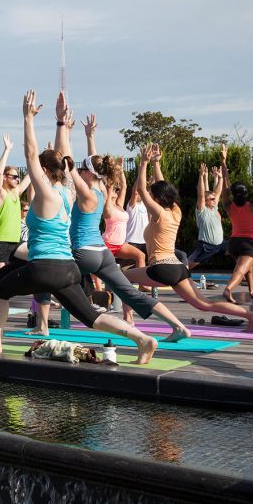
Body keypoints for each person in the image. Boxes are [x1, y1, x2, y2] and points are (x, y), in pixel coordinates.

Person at [0, 90, 159, 363]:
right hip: (68, 269)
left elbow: (31, 154)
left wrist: (27, 119)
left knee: (0, 290)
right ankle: (142, 339)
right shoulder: (67, 192)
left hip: (43, 267)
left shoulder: (46, 193)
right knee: (91, 316)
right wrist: (60, 124)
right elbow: (64, 157)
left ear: (44, 170)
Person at [64, 112, 190, 341]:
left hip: (84, 253)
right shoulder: (102, 189)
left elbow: (69, 163)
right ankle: (178, 326)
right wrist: (90, 136)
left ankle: (47, 323)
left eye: (82, 169)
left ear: (86, 173)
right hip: (103, 254)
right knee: (129, 292)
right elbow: (94, 165)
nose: (79, 171)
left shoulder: (87, 193)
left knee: (49, 275)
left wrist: (63, 127)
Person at [123, 144, 253, 331]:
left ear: (156, 199)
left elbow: (140, 189)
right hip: (178, 267)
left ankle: (129, 319)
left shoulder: (157, 213)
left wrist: (143, 163)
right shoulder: (175, 211)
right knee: (204, 304)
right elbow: (163, 187)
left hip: (162, 268)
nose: (149, 195)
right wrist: (157, 164)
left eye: (152, 195)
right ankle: (251, 316)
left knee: (121, 278)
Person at [220, 142, 253, 303]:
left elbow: (225, 184)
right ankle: (228, 289)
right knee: (241, 268)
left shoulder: (228, 206)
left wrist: (223, 162)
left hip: (234, 244)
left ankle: (252, 287)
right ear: (247, 194)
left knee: (246, 266)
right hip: (250, 243)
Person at [0, 134, 31, 272]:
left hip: (15, 241)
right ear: (5, 178)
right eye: (14, 177)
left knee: (35, 256)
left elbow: (31, 174)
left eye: (17, 177)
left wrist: (31, 155)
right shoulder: (0, 194)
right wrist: (7, 149)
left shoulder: (16, 192)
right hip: (0, 242)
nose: (17, 179)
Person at [187, 164, 227, 270]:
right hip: (206, 246)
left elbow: (217, 192)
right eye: (212, 199)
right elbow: (200, 194)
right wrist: (201, 176)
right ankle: (174, 277)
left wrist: (220, 177)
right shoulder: (202, 211)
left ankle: (244, 274)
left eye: (214, 199)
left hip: (220, 245)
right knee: (188, 265)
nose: (215, 200)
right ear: (205, 201)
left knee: (240, 252)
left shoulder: (214, 208)